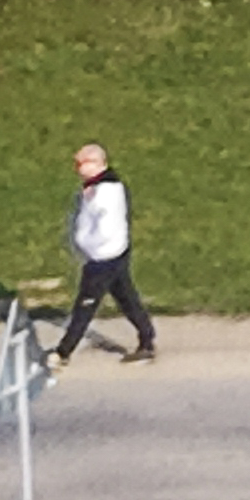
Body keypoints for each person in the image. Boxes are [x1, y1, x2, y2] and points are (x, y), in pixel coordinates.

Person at [65, 143, 157, 361]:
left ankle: (63, 351)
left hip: (103, 256)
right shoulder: (98, 188)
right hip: (114, 253)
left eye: (80, 164)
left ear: (95, 164)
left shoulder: (105, 193)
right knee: (126, 298)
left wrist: (85, 246)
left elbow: (105, 229)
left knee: (85, 305)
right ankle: (147, 339)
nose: (77, 169)